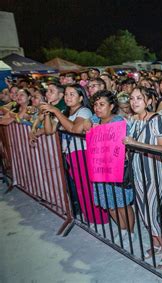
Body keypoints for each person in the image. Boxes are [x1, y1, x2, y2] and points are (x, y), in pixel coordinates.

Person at [41, 84, 108, 225]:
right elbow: (49, 130)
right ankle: (90, 217)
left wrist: (55, 111)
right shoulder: (65, 112)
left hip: (82, 153)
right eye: (66, 94)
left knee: (88, 188)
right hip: (70, 154)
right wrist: (48, 113)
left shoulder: (84, 111)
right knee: (80, 188)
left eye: (72, 94)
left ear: (81, 97)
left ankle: (99, 219)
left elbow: (74, 129)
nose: (67, 97)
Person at [122, 86, 162, 263]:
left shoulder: (159, 120)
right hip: (138, 171)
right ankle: (157, 245)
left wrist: (136, 144)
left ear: (149, 101)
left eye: (139, 98)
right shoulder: (132, 120)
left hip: (155, 171)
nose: (134, 102)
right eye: (132, 98)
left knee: (151, 213)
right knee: (143, 213)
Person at [82, 90, 135, 241]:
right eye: (96, 105)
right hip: (100, 170)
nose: (98, 108)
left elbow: (125, 143)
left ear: (111, 106)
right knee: (109, 204)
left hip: (116, 171)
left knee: (122, 204)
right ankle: (122, 228)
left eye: (102, 104)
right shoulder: (95, 119)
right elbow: (84, 125)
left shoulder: (118, 121)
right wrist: (88, 122)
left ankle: (131, 232)